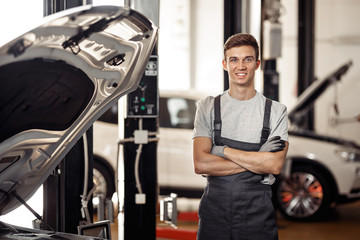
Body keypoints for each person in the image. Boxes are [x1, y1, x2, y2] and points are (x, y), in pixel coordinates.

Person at [192, 33, 289, 240]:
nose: (241, 66)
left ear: (257, 64)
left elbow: (274, 166)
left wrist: (220, 151)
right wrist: (258, 157)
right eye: (234, 60)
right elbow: (201, 164)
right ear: (225, 64)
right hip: (214, 216)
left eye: (248, 59)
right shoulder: (208, 107)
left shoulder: (276, 111)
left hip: (257, 217)